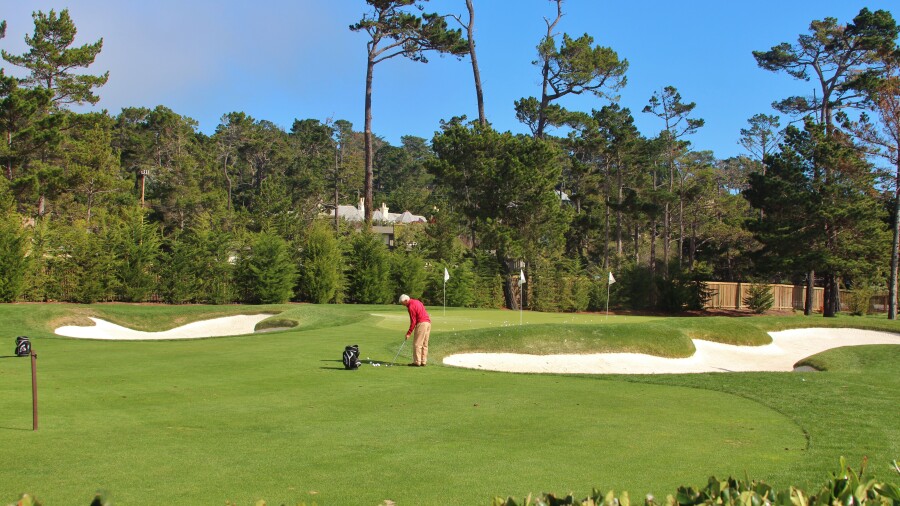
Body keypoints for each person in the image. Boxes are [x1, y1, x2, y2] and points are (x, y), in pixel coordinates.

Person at [399, 294, 431, 367]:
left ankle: (417, 362)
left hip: (422, 323)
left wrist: (409, 333)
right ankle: (423, 361)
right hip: (428, 323)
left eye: (402, 303)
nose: (402, 305)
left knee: (417, 344)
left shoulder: (410, 306)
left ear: (406, 300)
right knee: (424, 344)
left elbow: (413, 321)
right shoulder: (417, 301)